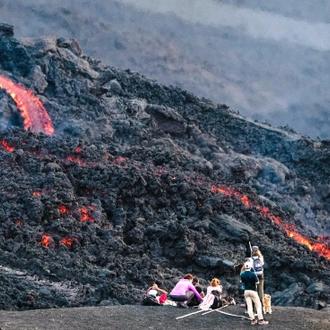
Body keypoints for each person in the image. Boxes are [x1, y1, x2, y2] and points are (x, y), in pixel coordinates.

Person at [240, 261, 268, 325]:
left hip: (246, 291)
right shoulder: (253, 274)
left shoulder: (242, 274)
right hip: (253, 291)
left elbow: (242, 281)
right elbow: (257, 282)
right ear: (250, 267)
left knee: (249, 306)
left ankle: (253, 320)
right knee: (258, 305)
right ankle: (261, 319)